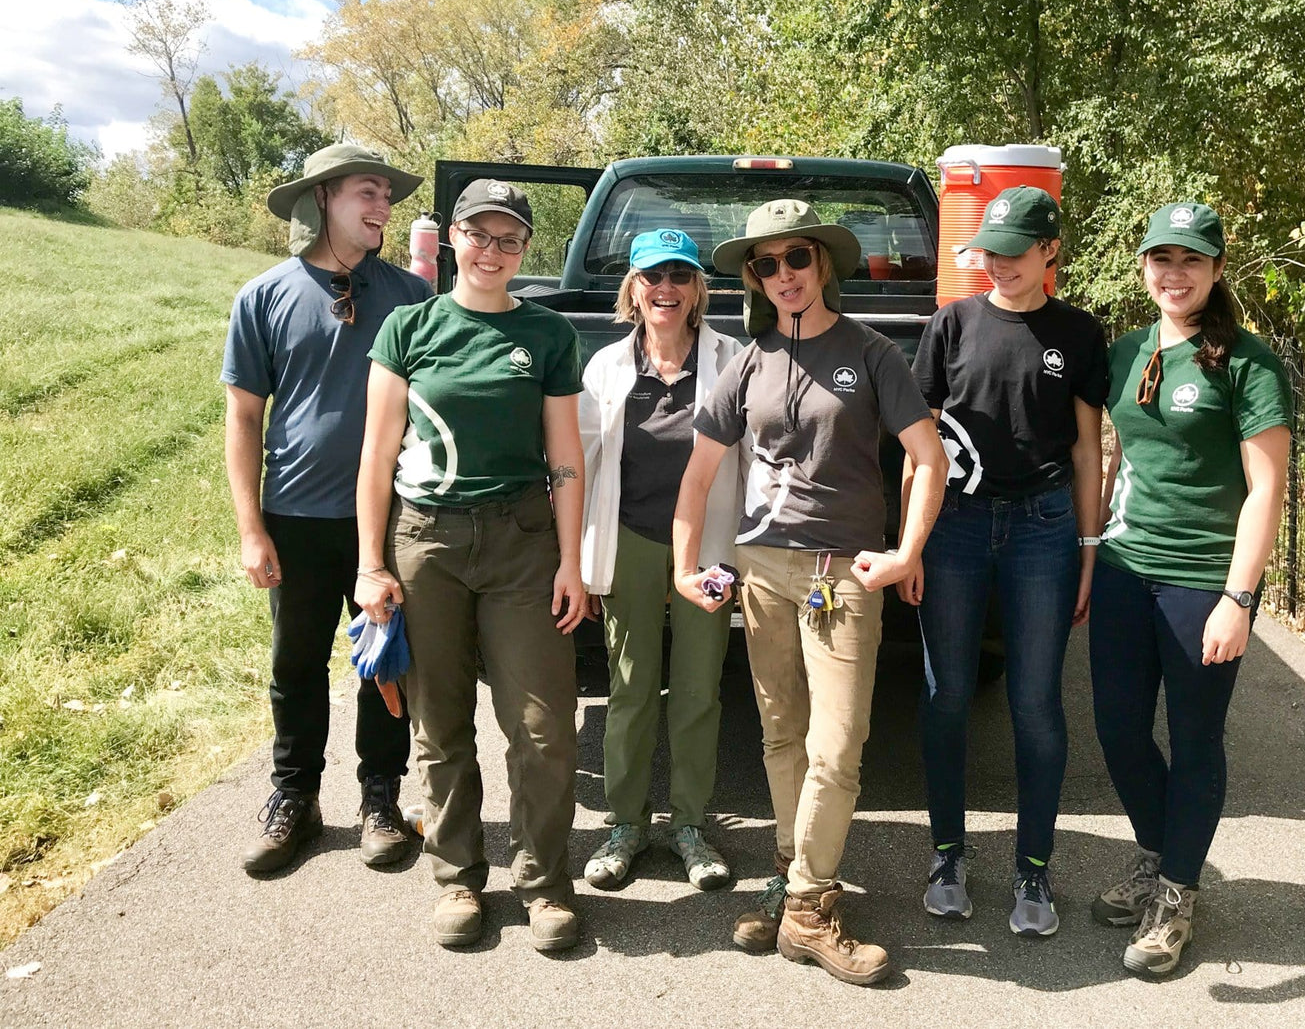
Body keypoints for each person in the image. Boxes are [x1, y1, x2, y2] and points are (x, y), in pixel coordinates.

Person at [674, 199, 947, 986]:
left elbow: (926, 458)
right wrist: (686, 566)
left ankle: (803, 910)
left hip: (843, 574)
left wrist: (905, 552)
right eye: (766, 263)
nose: (783, 274)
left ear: (823, 262)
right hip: (762, 571)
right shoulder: (747, 363)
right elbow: (697, 476)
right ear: (754, 277)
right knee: (782, 735)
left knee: (839, 743)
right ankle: (796, 874)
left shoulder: (871, 353)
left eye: (797, 257)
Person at [353, 179, 587, 952]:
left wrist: (571, 562)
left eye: (509, 239)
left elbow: (565, 459)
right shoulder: (408, 327)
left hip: (523, 541)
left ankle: (545, 886)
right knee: (439, 722)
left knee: (544, 728)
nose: (492, 251)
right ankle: (457, 878)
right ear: (452, 237)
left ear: (525, 249)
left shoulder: (549, 334)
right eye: (479, 235)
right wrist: (369, 567)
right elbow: (377, 454)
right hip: (426, 544)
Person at [1088, 202, 1292, 975]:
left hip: (1202, 582)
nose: (1174, 275)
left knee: (1196, 738)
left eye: (1191, 261)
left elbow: (1266, 489)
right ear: (1143, 266)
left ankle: (1176, 891)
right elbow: (1113, 456)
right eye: (1161, 260)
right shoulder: (1128, 350)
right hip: (1123, 570)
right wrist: (1094, 542)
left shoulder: (1247, 362)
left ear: (1215, 269)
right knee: (1117, 729)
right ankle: (1156, 855)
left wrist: (1238, 598)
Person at [222, 143, 428, 875]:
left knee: (385, 663)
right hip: (296, 516)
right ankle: (294, 799)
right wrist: (252, 530)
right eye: (367, 194)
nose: (382, 209)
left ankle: (381, 800)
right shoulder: (264, 296)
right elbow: (245, 418)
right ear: (322, 200)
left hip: (392, 517)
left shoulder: (409, 296)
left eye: (386, 197)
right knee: (297, 664)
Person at [910, 186, 1109, 936]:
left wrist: (1089, 550)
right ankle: (948, 856)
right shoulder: (951, 323)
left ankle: (1034, 871)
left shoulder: (1079, 335)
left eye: (1016, 251)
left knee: (1034, 702)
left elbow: (1089, 450)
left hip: (1045, 530)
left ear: (1050, 250)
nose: (1000, 264)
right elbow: (919, 442)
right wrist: (912, 542)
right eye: (990, 250)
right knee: (947, 695)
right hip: (955, 527)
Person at [577, 228, 747, 891]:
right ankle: (625, 826)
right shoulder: (607, 370)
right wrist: (581, 560)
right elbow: (583, 468)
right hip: (632, 543)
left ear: (698, 289)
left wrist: (751, 553)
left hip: (710, 549)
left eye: (679, 275)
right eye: (653, 277)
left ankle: (690, 828)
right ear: (634, 290)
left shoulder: (732, 360)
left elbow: (759, 461)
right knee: (630, 690)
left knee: (700, 692)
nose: (666, 289)